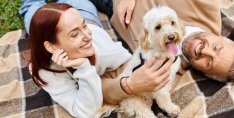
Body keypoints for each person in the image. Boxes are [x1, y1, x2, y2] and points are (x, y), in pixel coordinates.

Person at [23, 2, 174, 117]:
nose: (87, 36)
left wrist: (83, 67)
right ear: (51, 47)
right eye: (75, 35)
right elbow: (85, 111)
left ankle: (78, 25)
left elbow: (129, 65)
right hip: (54, 28)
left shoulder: (105, 51)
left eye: (84, 27)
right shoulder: (44, 71)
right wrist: (84, 69)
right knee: (33, 8)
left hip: (82, 11)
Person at [100, 0, 234, 82]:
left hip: (108, 7)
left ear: (204, 73)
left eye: (208, 62)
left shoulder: (165, 69)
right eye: (217, 47)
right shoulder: (206, 4)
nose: (204, 51)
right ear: (222, 37)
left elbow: (111, 82)